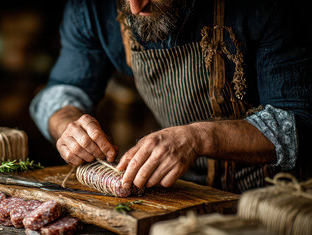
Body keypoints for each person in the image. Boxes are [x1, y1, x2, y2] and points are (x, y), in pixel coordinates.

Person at [30, 0, 312, 193]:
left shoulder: (262, 8)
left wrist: (198, 137)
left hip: (278, 196)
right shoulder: (91, 7)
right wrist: (66, 125)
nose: (135, 6)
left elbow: (299, 123)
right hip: (183, 191)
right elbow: (63, 89)